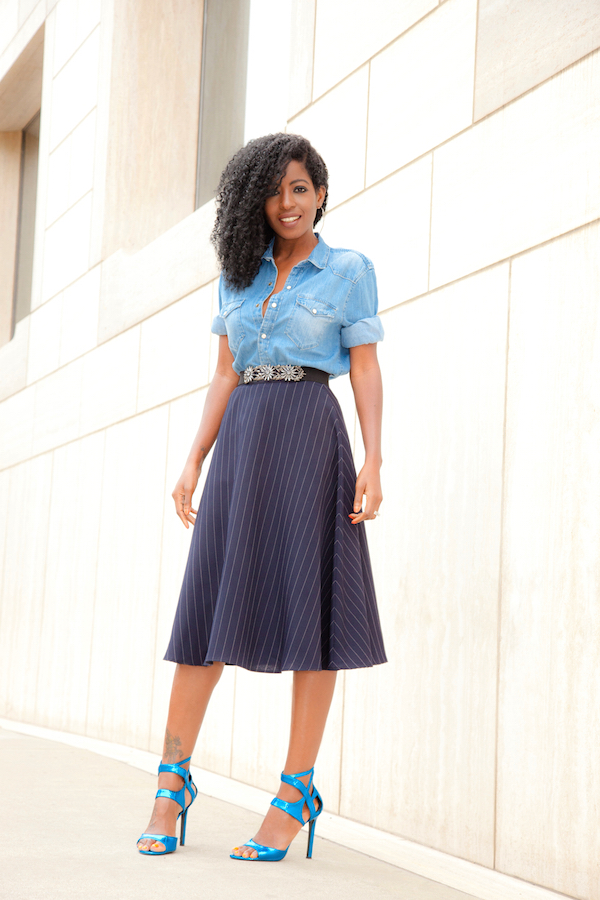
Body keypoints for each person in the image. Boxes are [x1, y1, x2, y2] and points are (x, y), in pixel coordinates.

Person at [137, 132, 387, 862]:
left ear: (320, 193)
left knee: (315, 610)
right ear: (257, 200)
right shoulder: (237, 276)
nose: (290, 202)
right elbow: (223, 373)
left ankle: (294, 791)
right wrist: (193, 458)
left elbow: (365, 367)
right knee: (206, 611)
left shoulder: (348, 271)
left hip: (312, 436)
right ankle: (172, 782)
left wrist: (375, 457)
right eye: (277, 190)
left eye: (302, 187)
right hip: (243, 439)